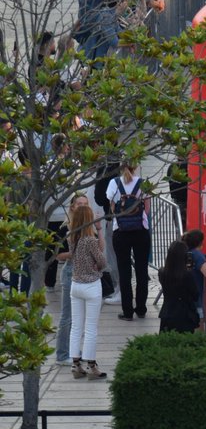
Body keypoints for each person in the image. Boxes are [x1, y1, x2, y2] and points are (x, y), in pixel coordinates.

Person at [67, 203, 108, 380]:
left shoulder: (71, 237)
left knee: (76, 327)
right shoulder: (90, 240)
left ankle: (75, 364)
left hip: (75, 285)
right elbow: (102, 260)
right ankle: (91, 365)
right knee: (90, 328)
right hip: (91, 285)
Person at [106, 163, 150, 321]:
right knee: (142, 270)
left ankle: (127, 311)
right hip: (141, 230)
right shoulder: (143, 183)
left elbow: (112, 208)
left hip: (121, 231)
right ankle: (141, 308)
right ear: (135, 167)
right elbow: (146, 208)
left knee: (124, 272)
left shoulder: (114, 183)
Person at [53, 195, 92, 366]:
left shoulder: (89, 227)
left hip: (86, 273)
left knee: (78, 317)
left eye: (85, 204)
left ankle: (72, 350)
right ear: (72, 207)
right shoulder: (65, 229)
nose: (82, 207)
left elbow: (99, 251)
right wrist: (76, 252)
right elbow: (57, 255)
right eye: (79, 204)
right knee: (67, 316)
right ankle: (62, 354)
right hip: (70, 272)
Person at [158, 240, 201, 332]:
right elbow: (195, 295)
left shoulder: (162, 272)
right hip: (184, 315)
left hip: (167, 313)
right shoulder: (186, 275)